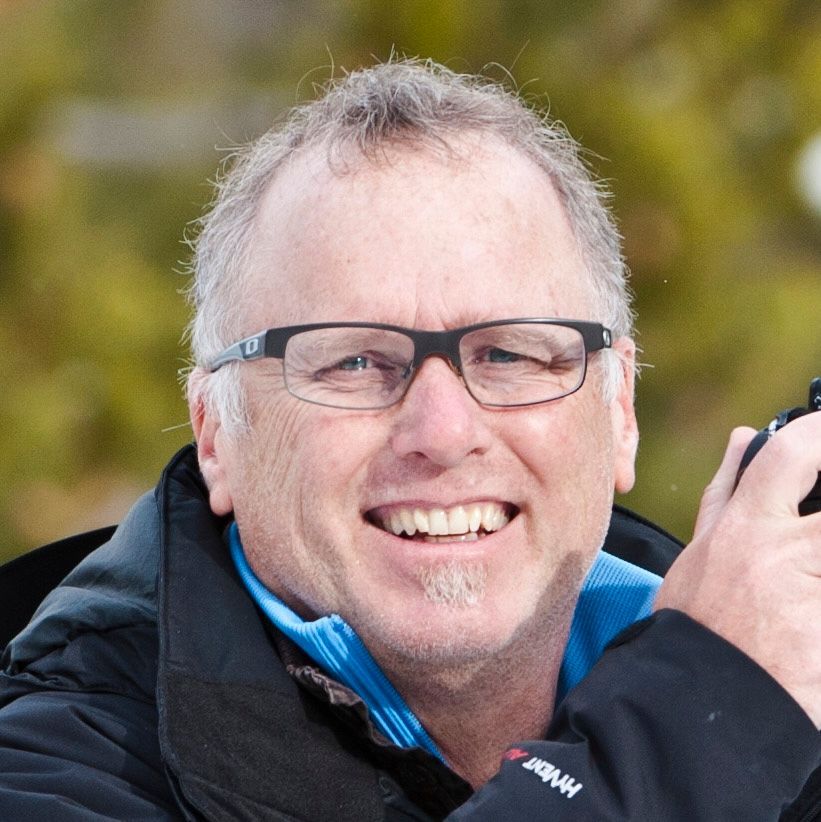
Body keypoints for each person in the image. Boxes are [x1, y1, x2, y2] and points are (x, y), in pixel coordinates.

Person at [0, 59, 817, 821]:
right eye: (354, 361)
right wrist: (700, 714)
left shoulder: (786, 692)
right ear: (217, 435)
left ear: (620, 411)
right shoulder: (57, 766)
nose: (443, 431)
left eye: (508, 353)